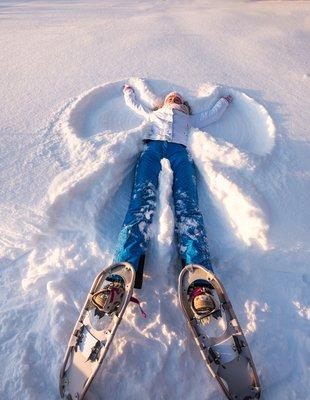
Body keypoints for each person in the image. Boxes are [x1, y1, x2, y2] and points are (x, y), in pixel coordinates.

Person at [104, 86, 232, 319]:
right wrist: (128, 93)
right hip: (152, 149)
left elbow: (211, 115)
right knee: (141, 205)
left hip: (180, 153)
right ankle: (119, 279)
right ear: (162, 103)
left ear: (185, 106)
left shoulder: (189, 118)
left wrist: (223, 102)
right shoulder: (154, 114)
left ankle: (200, 284)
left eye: (179, 98)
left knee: (188, 208)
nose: (175, 97)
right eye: (171, 97)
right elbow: (136, 106)